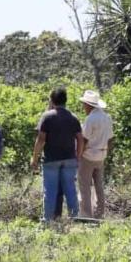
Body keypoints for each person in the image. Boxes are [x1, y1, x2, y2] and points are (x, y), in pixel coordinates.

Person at [31, 88, 83, 221]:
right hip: (69, 159)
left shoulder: (47, 116)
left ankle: (48, 220)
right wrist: (77, 156)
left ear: (52, 100)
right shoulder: (73, 117)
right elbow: (80, 138)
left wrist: (34, 158)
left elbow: (41, 139)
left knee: (50, 191)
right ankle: (74, 218)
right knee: (70, 190)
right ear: (66, 100)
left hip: (51, 159)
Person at [78, 90, 114, 219]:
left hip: (88, 156)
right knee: (99, 185)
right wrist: (105, 152)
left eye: (84, 104)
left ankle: (87, 215)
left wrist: (79, 155)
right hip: (101, 155)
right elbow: (110, 139)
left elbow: (85, 140)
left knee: (85, 185)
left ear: (89, 105)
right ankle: (100, 213)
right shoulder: (107, 117)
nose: (83, 107)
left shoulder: (90, 119)